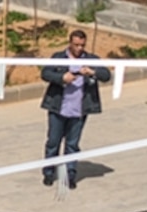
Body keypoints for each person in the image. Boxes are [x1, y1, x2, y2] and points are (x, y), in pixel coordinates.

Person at [39, 29, 101, 190]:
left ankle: (70, 174)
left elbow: (106, 74)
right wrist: (61, 78)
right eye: (76, 45)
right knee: (53, 142)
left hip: (79, 110)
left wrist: (92, 71)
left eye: (82, 45)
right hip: (58, 108)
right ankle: (49, 172)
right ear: (70, 43)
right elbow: (45, 73)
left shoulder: (91, 60)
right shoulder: (59, 58)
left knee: (72, 144)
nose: (79, 48)